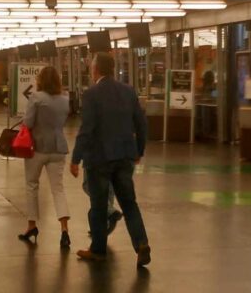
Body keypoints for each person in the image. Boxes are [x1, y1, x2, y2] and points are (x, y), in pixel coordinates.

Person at [71, 53, 151, 266]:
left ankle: (98, 250)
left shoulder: (91, 94)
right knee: (129, 203)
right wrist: (139, 150)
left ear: (96, 70)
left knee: (98, 205)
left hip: (99, 159)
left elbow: (86, 129)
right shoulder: (128, 91)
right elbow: (141, 124)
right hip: (125, 155)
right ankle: (141, 244)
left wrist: (75, 158)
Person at [18, 67, 72, 249]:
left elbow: (28, 123)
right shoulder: (65, 99)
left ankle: (31, 226)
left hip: (37, 148)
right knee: (58, 189)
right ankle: (64, 230)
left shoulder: (36, 97)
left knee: (32, 185)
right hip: (58, 149)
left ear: (41, 80)